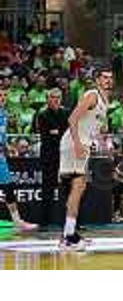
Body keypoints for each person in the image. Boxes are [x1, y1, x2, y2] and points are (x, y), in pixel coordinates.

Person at [58, 67, 113, 250]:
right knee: (77, 187)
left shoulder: (105, 100)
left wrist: (100, 142)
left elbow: (93, 126)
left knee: (76, 189)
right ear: (97, 80)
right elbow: (72, 119)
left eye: (110, 78)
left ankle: (68, 233)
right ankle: (69, 237)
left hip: (82, 144)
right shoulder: (92, 95)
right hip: (74, 144)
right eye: (104, 78)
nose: (108, 81)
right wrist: (78, 144)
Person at [0, 88, 38, 231]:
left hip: (1, 158)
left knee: (9, 187)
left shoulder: (4, 114)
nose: (2, 98)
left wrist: (9, 147)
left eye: (4, 95)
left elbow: (2, 138)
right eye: (0, 96)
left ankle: (17, 221)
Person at [33, 88, 69, 228]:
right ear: (48, 99)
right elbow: (47, 137)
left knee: (69, 190)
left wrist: (56, 132)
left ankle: (71, 222)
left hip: (65, 156)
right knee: (47, 190)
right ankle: (44, 222)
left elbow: (67, 133)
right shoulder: (42, 115)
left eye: (58, 97)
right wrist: (58, 133)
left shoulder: (66, 113)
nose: (56, 100)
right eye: (53, 97)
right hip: (49, 157)